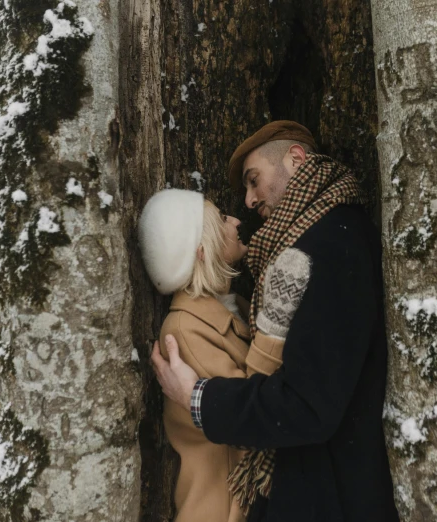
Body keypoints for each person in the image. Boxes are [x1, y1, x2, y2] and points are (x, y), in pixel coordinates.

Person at [151, 121, 400, 521]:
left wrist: (199, 397)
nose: (247, 204)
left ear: (296, 160)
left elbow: (306, 405)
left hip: (332, 496)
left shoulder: (331, 244)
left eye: (255, 181)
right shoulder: (316, 241)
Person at [138, 190, 301, 522]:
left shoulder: (235, 307)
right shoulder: (184, 329)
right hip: (222, 510)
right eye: (222, 220)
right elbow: (251, 412)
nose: (236, 221)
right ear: (202, 251)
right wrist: (275, 325)